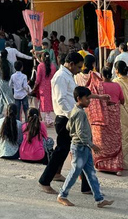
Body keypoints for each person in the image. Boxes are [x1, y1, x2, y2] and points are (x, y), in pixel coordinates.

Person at [56, 85, 113, 208]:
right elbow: (80, 132)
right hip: (79, 147)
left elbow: (68, 128)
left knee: (91, 173)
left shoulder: (75, 111)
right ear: (79, 98)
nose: (89, 101)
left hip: (83, 148)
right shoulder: (80, 113)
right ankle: (62, 195)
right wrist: (92, 145)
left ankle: (99, 199)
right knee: (75, 172)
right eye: (87, 98)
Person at [39, 51, 85, 194]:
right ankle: (45, 180)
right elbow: (61, 100)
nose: (79, 71)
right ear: (70, 64)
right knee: (61, 150)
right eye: (78, 67)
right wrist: (72, 115)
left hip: (69, 116)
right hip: (65, 118)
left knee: (64, 149)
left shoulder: (68, 75)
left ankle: (57, 173)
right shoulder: (60, 76)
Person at [33, 52, 57, 127]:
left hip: (42, 87)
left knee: (43, 103)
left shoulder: (40, 66)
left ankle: (47, 119)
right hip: (51, 86)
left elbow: (38, 79)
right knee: (49, 102)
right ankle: (48, 118)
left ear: (42, 58)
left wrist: (35, 86)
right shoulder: (53, 66)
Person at [0, 49, 14, 115]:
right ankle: (10, 112)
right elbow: (12, 73)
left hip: (0, 82)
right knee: (9, 98)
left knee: (2, 98)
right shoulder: (10, 63)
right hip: (8, 82)